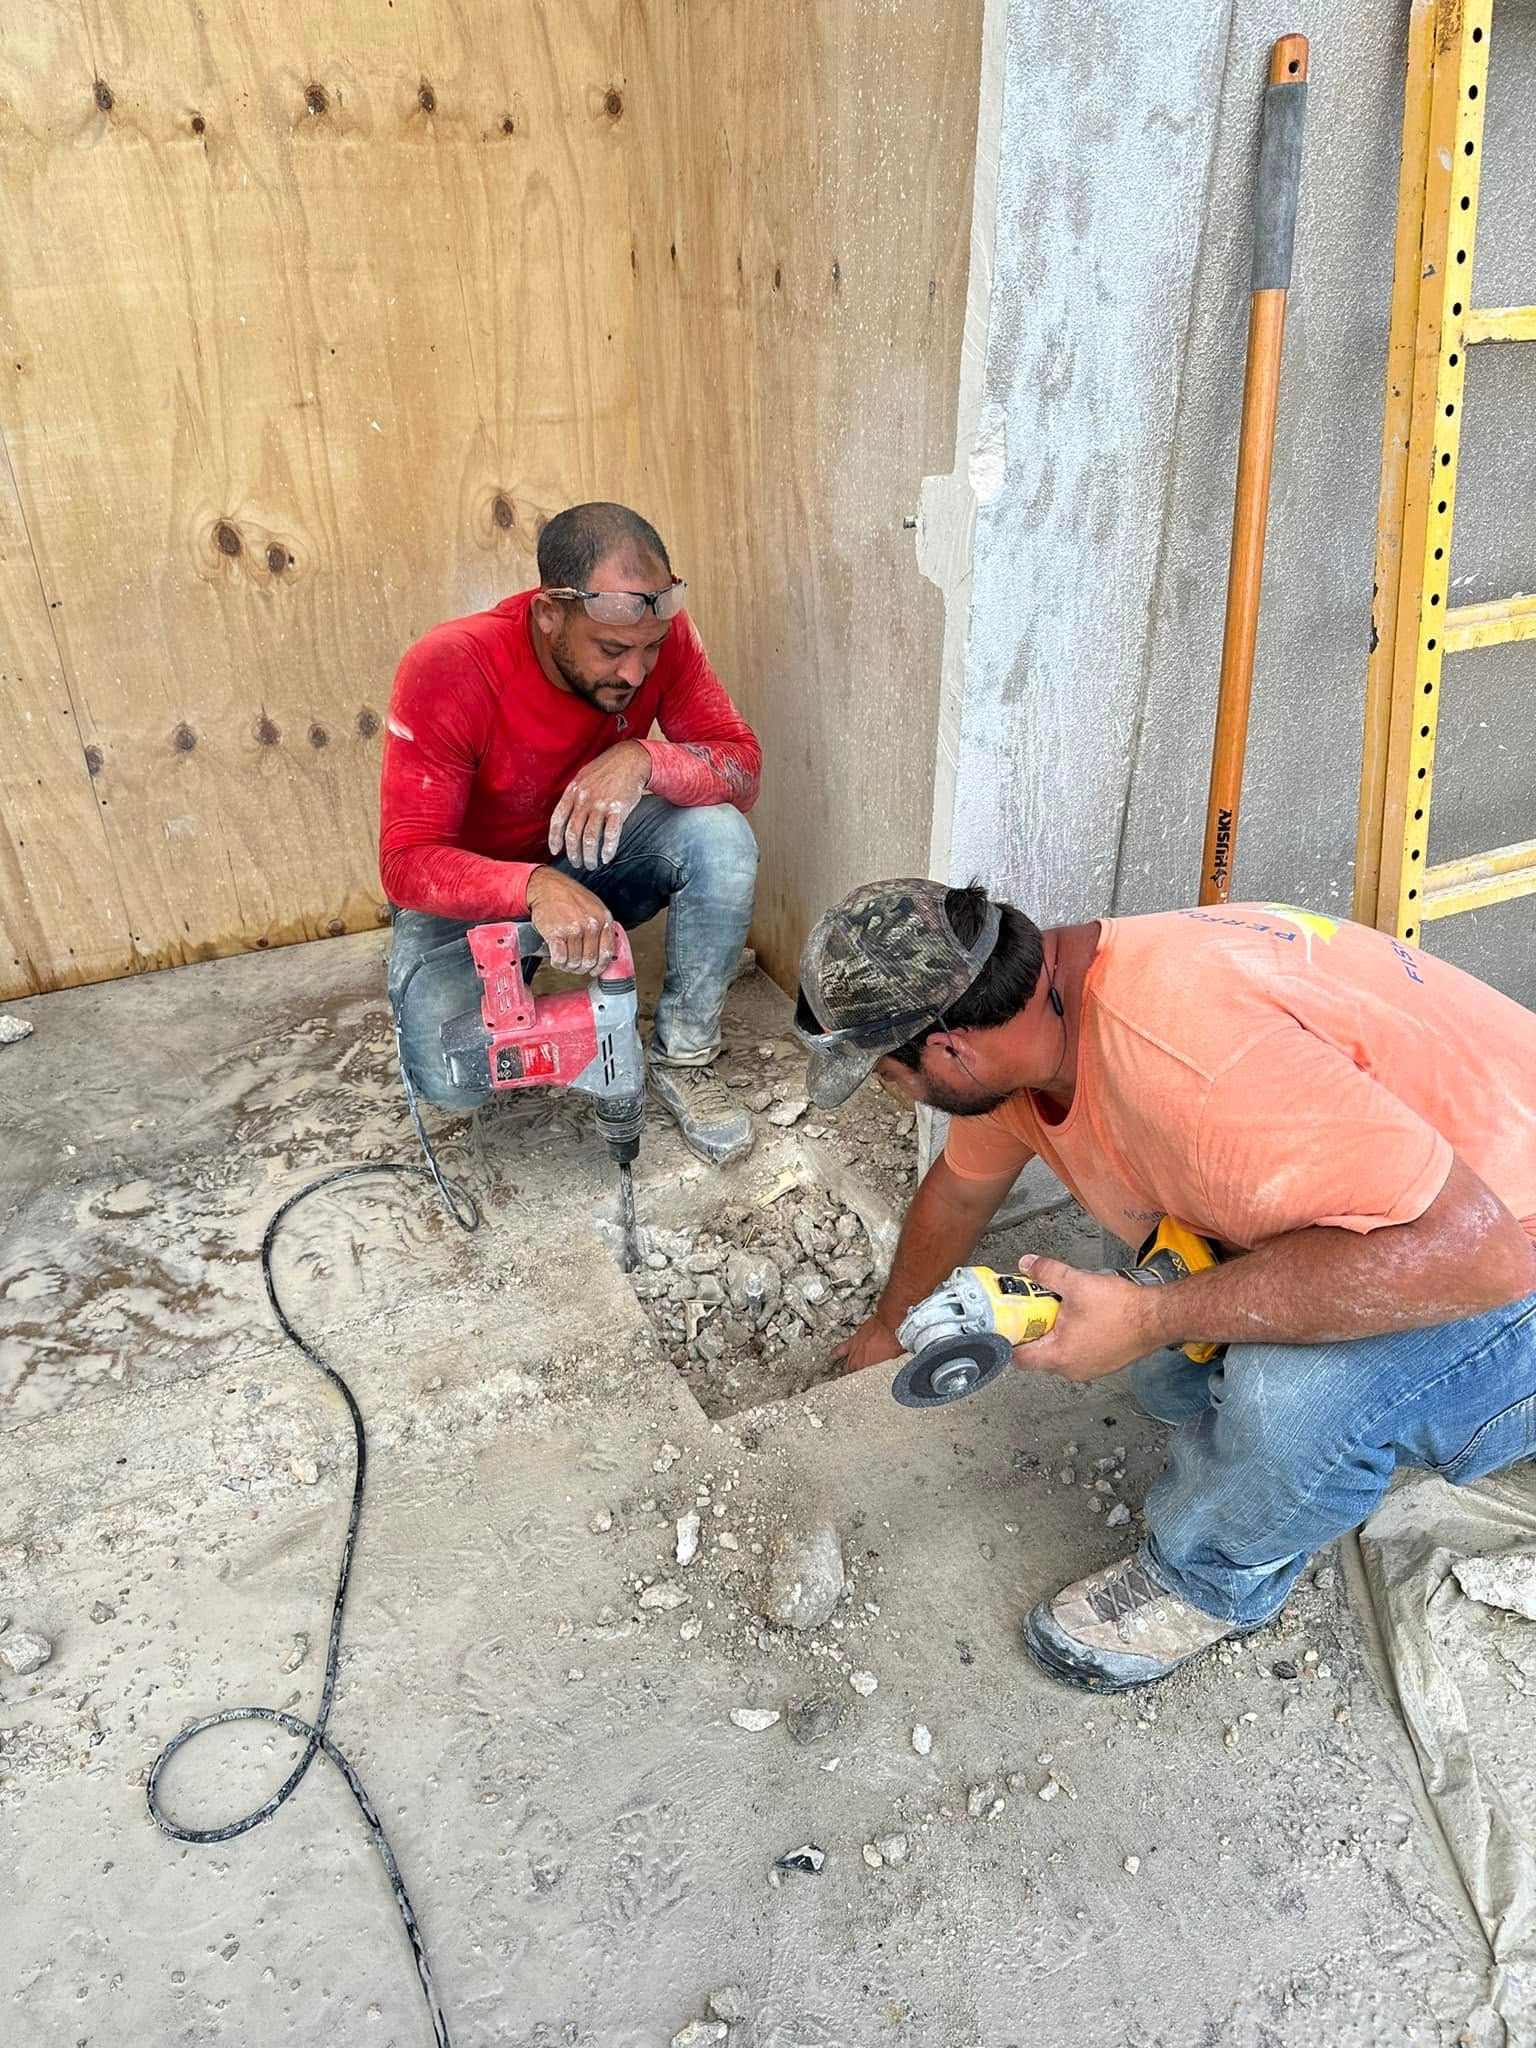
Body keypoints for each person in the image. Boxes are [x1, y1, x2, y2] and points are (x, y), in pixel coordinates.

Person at [794, 879, 1536, 1692]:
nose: (889, 1090)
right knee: (1170, 1374)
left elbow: (1481, 1255)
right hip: (1442, 1199)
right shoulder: (1032, 1017)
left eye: (886, 1076)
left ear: (949, 1051)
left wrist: (1151, 1313)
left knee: (1287, 1401)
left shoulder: (1187, 1060)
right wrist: (887, 1328)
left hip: (1505, 1249)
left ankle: (1206, 1580)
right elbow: (961, 1189)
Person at [379, 502, 761, 1166]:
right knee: (452, 1084)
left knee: (719, 837)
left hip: (586, 858)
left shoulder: (658, 635)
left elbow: (740, 765)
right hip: (474, 886)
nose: (635, 673)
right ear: (550, 612)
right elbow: (407, 862)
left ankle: (687, 1058)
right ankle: (517, 963)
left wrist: (645, 757)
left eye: (649, 650)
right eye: (612, 651)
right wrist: (532, 885)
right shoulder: (453, 666)